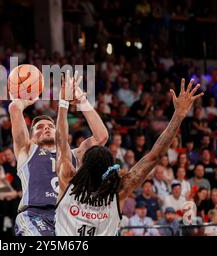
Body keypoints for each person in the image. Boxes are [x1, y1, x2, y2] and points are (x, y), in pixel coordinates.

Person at [55, 77, 203, 236]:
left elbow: (61, 143)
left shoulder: (68, 181)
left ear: (83, 164)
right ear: (108, 168)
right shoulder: (118, 191)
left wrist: (63, 102)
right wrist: (178, 116)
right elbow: (155, 156)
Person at [10, 71, 109, 236]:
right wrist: (21, 102)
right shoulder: (27, 150)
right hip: (35, 214)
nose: (46, 127)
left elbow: (102, 137)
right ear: (32, 137)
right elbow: (14, 109)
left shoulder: (75, 155)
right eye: (39, 128)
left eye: (50, 125)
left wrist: (82, 102)